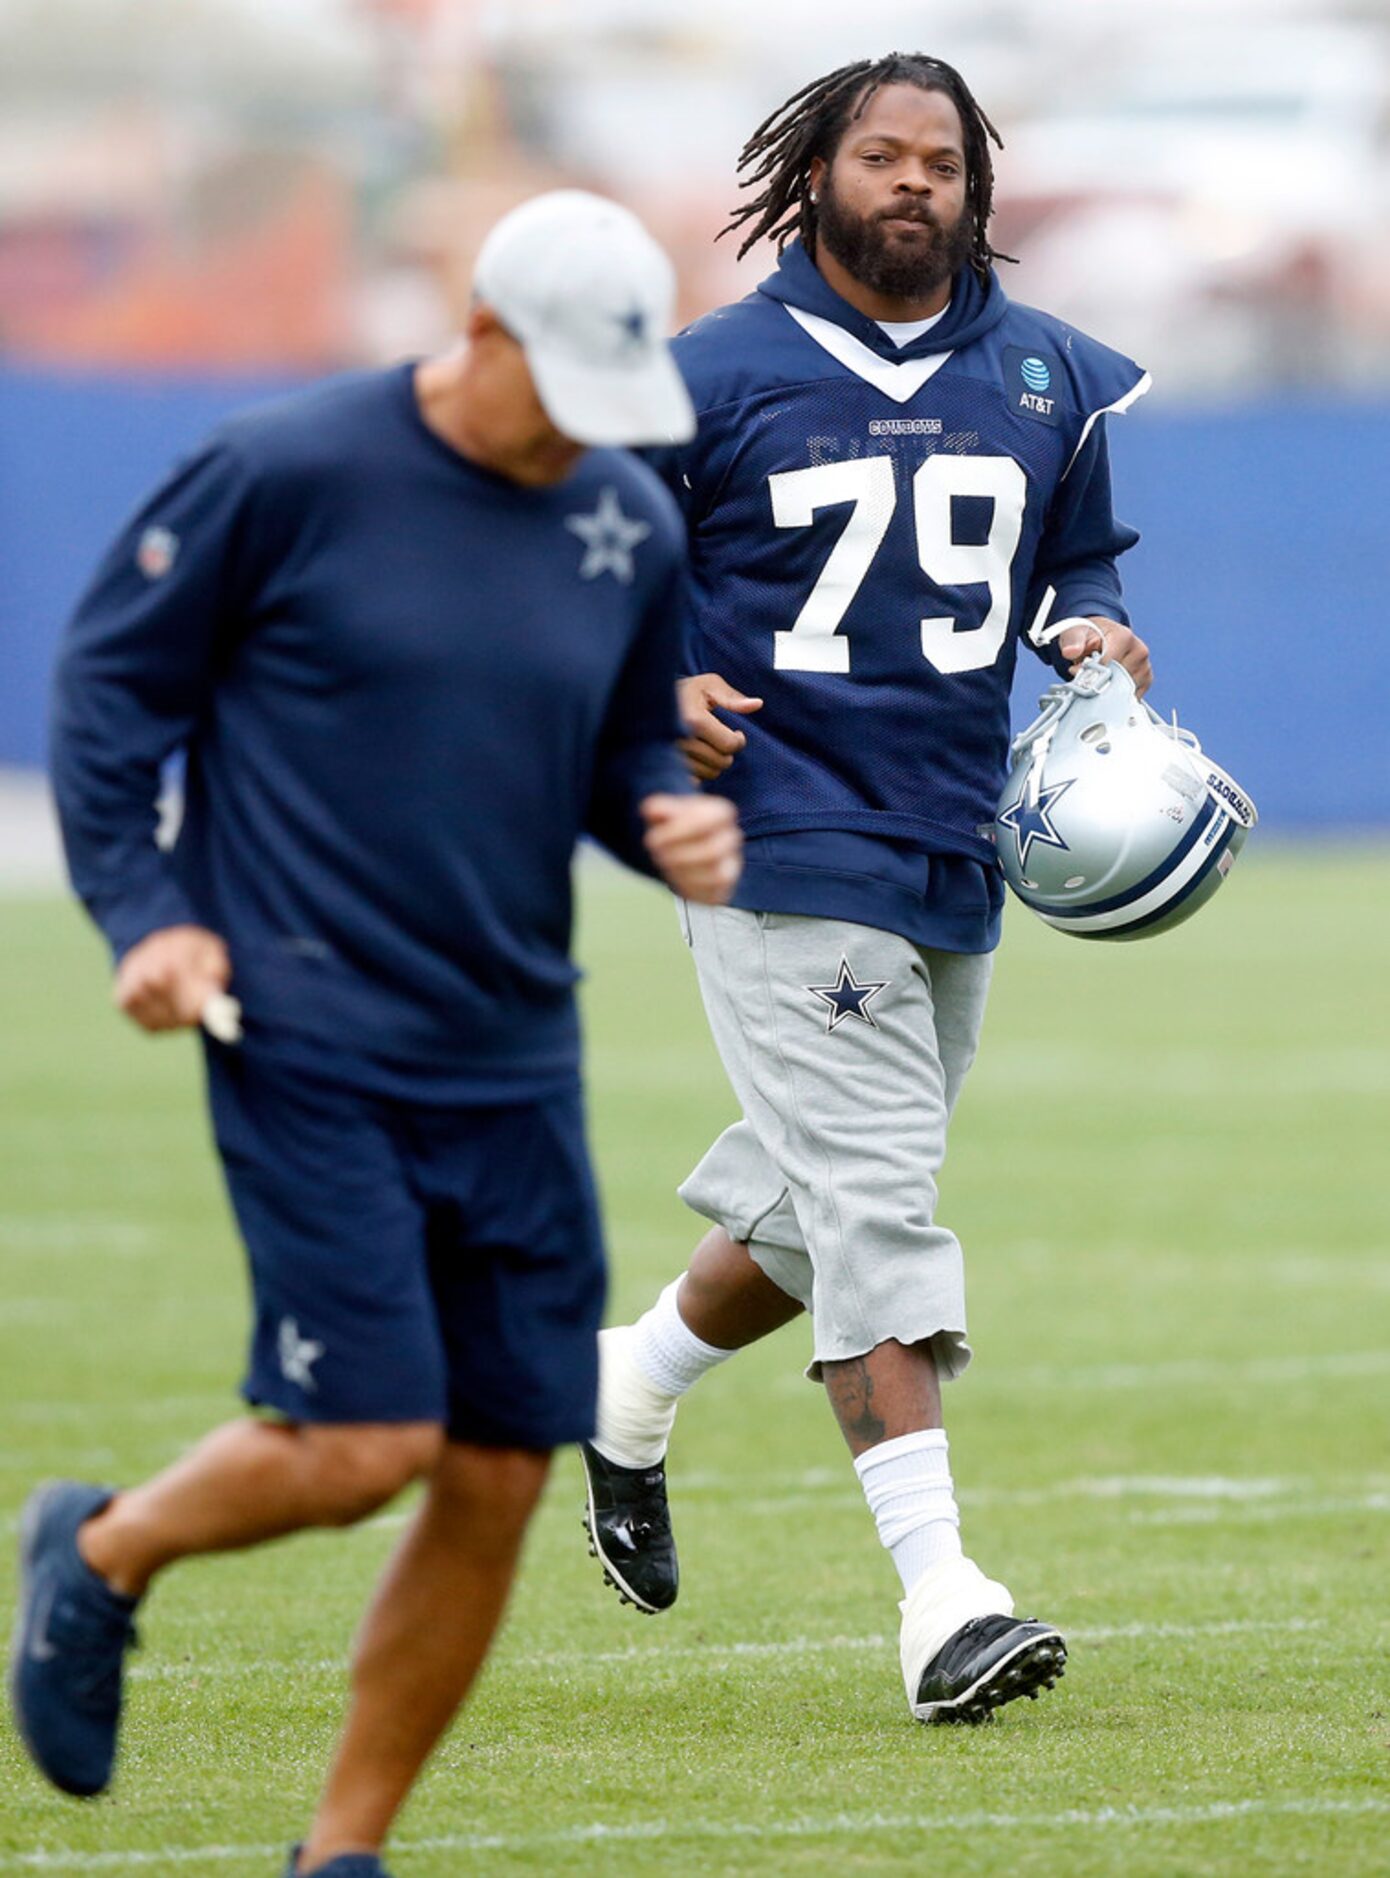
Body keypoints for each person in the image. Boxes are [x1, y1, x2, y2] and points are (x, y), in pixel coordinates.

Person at [13, 189, 741, 1877]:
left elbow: (624, 756)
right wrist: (148, 914)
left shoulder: (625, 517)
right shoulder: (283, 471)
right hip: (305, 1024)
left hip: (513, 1055)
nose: (583, 437)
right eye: (557, 392)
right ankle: (103, 1550)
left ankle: (342, 1853)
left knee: (494, 1473)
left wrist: (662, 820)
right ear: (480, 333)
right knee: (362, 1445)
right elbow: (112, 692)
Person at [578, 55, 1154, 1724]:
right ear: (818, 173)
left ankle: (631, 1376)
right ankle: (942, 1596)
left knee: (811, 1197)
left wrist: (1090, 626)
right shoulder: (710, 372)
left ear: (977, 185)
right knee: (880, 1205)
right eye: (882, 157)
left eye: (942, 163)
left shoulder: (1045, 372)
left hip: (949, 831)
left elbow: (1078, 554)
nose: (914, 184)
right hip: (771, 832)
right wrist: (648, 688)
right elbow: (587, 562)